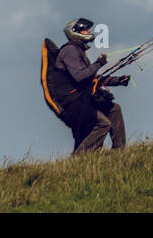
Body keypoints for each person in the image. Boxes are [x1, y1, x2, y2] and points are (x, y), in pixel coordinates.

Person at [54, 17, 129, 154]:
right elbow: (80, 76)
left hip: (82, 99)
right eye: (85, 29)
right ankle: (79, 157)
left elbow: (92, 78)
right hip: (72, 102)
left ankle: (119, 152)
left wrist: (119, 81)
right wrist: (98, 63)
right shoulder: (70, 50)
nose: (89, 31)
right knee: (103, 123)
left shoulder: (78, 50)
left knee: (114, 109)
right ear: (75, 32)